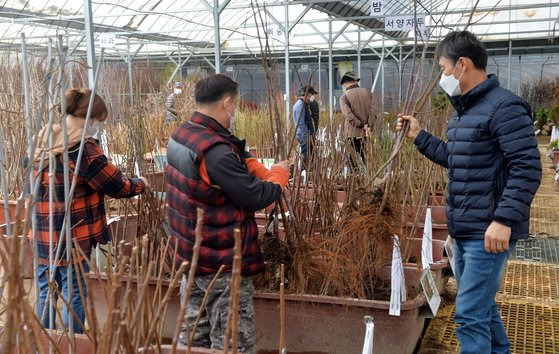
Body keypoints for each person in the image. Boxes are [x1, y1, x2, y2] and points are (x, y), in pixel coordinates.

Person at [396, 31, 542, 354]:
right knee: (482, 307)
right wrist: (419, 135)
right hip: (463, 231)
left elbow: (527, 168)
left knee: (469, 315)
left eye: (443, 68)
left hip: (487, 232)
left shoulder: (504, 107)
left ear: (462, 65)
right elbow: (456, 159)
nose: (442, 76)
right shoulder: (463, 112)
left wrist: (504, 219)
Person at [166, 74, 290, 353]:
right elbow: (257, 195)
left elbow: (220, 170)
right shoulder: (216, 152)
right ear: (227, 102)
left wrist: (249, 164)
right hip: (221, 267)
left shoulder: (182, 134)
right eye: (235, 104)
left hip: (191, 258)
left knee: (193, 341)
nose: (236, 110)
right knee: (231, 343)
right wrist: (280, 173)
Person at [33, 88, 150, 333]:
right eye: (98, 121)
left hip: (44, 232)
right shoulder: (83, 148)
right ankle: (70, 344)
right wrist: (139, 184)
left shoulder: (44, 138)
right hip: (74, 234)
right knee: (74, 291)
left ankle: (45, 343)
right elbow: (115, 185)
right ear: (91, 119)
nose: (98, 126)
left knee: (47, 289)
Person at [339, 71, 376, 172]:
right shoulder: (368, 93)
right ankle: (369, 180)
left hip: (352, 134)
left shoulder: (344, 97)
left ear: (345, 83)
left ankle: (355, 181)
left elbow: (349, 116)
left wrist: (360, 124)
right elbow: (374, 112)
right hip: (366, 133)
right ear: (355, 81)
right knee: (367, 159)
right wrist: (368, 125)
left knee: (353, 161)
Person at [292, 85, 318, 170]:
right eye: (310, 96)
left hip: (307, 135)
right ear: (307, 95)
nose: (311, 98)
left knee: (311, 155)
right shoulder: (300, 105)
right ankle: (303, 174)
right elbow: (301, 124)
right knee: (305, 155)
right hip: (304, 136)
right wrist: (307, 136)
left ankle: (309, 173)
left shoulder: (304, 105)